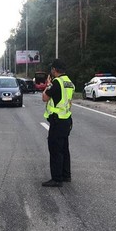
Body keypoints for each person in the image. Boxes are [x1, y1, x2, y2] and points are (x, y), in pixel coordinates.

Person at [42, 59, 75, 187]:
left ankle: (57, 178)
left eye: (52, 69)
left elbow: (45, 98)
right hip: (67, 119)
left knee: (55, 150)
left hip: (57, 120)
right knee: (64, 149)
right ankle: (66, 175)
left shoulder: (56, 83)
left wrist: (47, 85)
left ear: (54, 70)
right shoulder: (69, 82)